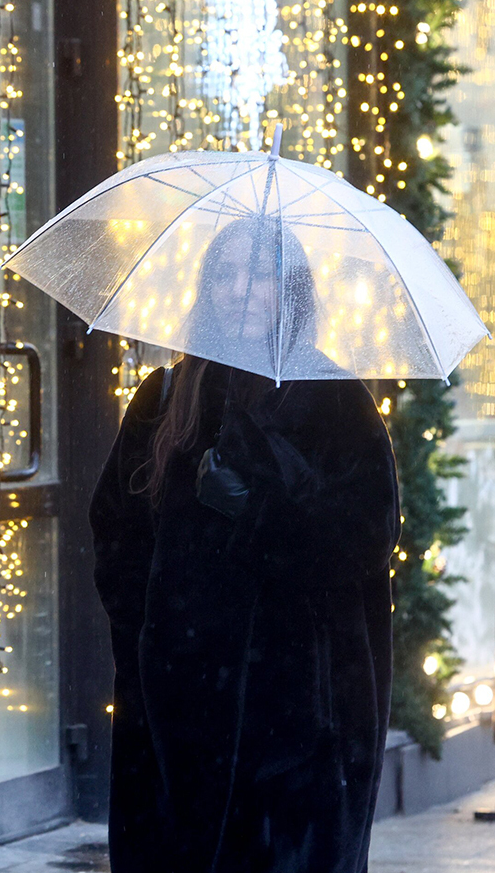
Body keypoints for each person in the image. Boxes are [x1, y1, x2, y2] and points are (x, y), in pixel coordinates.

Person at [89, 215, 402, 873]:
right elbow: (115, 524)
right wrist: (150, 630)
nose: (240, 289)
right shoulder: (168, 394)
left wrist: (256, 509)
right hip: (178, 707)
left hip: (299, 713)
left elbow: (366, 535)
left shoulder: (333, 398)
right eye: (225, 274)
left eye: (259, 274)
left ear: (289, 291)